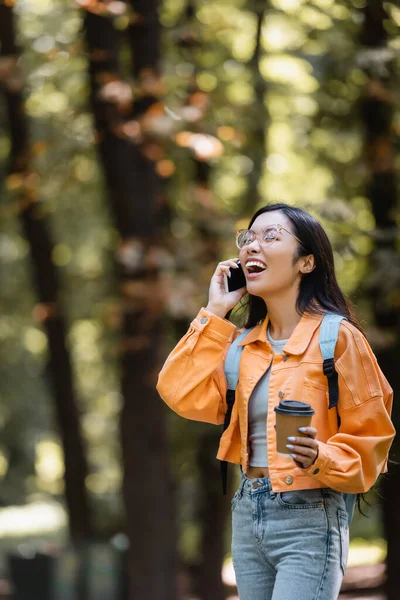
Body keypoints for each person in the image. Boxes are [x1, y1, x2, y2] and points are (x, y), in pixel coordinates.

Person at [157, 202, 395, 600]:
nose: (252, 246)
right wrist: (216, 311)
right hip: (248, 513)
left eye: (271, 237)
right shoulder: (241, 347)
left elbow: (372, 440)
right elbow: (177, 390)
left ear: (306, 262)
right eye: (248, 238)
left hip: (311, 514)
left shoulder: (337, 339)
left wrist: (320, 455)